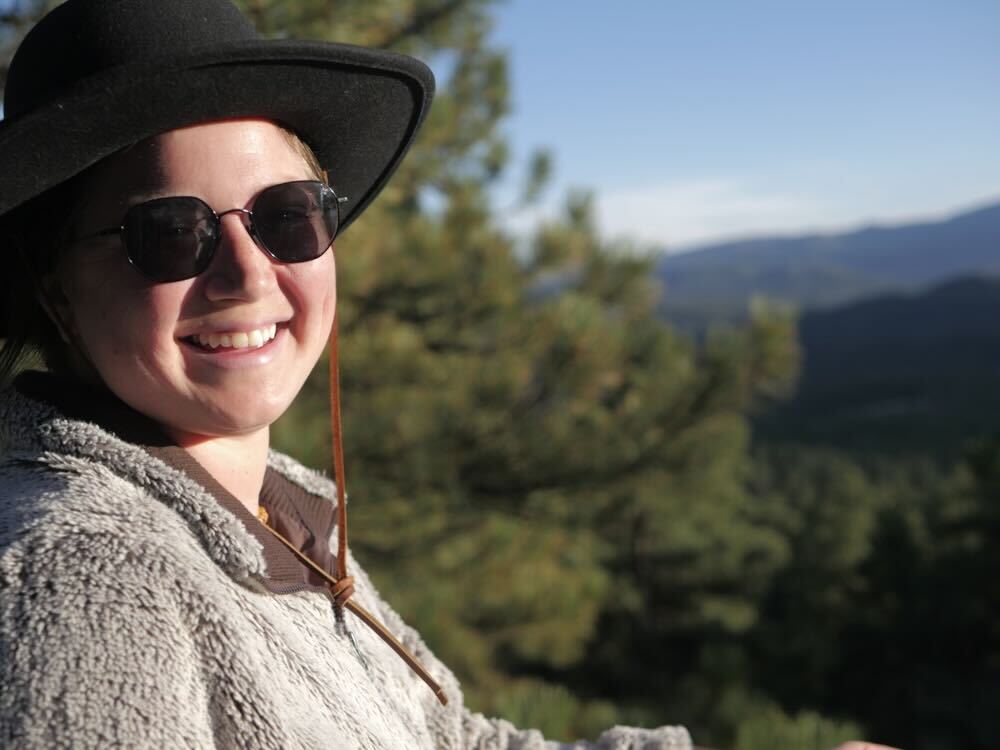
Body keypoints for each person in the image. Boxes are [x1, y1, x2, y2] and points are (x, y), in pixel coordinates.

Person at [0, 1, 696, 748]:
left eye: (287, 215)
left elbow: (447, 738)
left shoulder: (283, 509)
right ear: (56, 286)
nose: (247, 274)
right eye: (169, 233)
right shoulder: (89, 576)